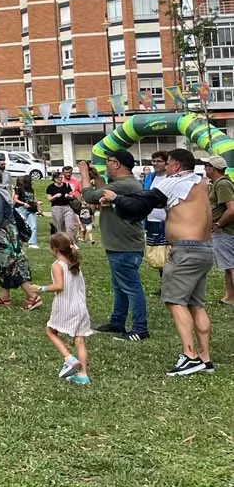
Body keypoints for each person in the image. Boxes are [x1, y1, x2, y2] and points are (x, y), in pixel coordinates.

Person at [102, 148, 214, 377]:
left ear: (176, 166)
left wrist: (116, 199)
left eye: (168, 163)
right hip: (205, 249)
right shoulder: (202, 183)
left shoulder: (174, 182)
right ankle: (205, 358)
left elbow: (142, 204)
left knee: (175, 302)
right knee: (196, 304)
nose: (163, 167)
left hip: (185, 250)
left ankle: (190, 356)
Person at [79, 154, 148, 342]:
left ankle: (140, 328)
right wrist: (97, 177)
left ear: (117, 164)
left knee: (131, 288)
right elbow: (104, 192)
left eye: (108, 162)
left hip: (124, 246)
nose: (106, 166)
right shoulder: (124, 184)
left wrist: (84, 173)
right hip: (121, 245)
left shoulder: (125, 185)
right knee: (120, 287)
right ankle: (117, 322)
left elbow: (90, 196)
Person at [0, 168, 40, 310]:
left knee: (12, 265)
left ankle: (33, 297)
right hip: (2, 235)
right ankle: (4, 296)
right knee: (2, 266)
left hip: (4, 236)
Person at [37, 233, 93, 385]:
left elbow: (59, 286)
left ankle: (69, 358)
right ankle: (83, 375)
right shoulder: (74, 263)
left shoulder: (57, 265)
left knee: (51, 331)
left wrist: (40, 288)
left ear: (55, 250)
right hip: (80, 307)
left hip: (65, 306)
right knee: (80, 340)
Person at [206, 155, 234, 308]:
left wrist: (219, 223)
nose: (205, 169)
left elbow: (232, 209)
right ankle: (229, 297)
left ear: (213, 169)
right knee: (228, 266)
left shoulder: (222, 184)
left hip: (226, 231)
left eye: (207, 166)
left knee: (231, 266)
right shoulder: (216, 184)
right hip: (224, 231)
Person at [143, 151, 170, 289]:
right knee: (157, 254)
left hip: (168, 221)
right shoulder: (150, 178)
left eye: (158, 161)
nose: (155, 164)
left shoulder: (170, 178)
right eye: (153, 161)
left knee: (168, 253)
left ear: (166, 163)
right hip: (151, 220)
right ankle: (164, 284)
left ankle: (170, 285)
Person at [46, 170, 79, 244]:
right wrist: (55, 196)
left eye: (61, 177)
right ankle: (62, 243)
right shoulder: (50, 187)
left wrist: (69, 196)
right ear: (54, 178)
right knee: (60, 228)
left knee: (70, 226)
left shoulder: (66, 185)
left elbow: (72, 196)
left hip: (67, 207)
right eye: (59, 178)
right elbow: (49, 199)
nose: (60, 179)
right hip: (56, 208)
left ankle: (72, 243)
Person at [13, 174, 40, 249]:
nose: (32, 182)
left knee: (33, 226)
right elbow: (15, 199)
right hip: (21, 209)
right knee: (20, 226)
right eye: (31, 180)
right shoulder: (19, 189)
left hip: (31, 209)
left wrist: (37, 205)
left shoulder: (31, 190)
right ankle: (18, 242)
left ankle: (32, 243)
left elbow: (33, 199)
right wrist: (24, 203)